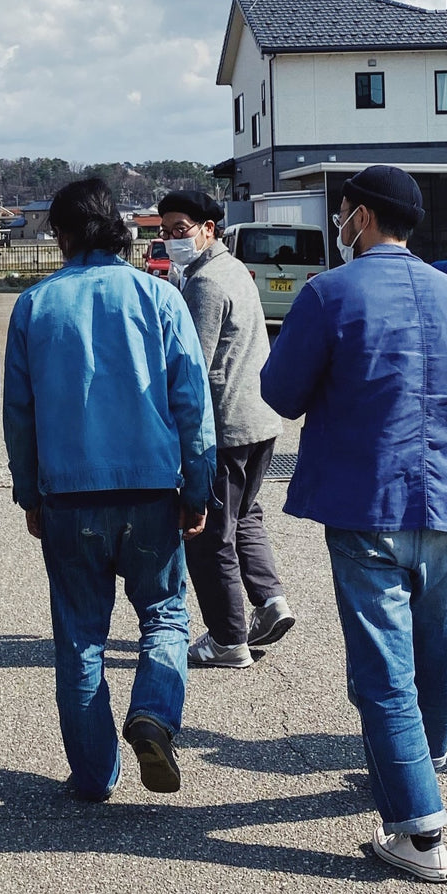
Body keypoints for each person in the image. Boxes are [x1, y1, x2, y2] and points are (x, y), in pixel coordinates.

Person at [260, 166, 447, 883]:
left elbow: (279, 393)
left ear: (362, 217)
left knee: (382, 669)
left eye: (343, 212)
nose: (339, 223)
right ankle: (419, 766)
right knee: (439, 653)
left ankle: (420, 827)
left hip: (366, 500)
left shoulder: (328, 293)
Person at [3, 177, 215, 800]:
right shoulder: (160, 298)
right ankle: (152, 710)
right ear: (120, 232)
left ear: (62, 235)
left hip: (69, 495)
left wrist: (29, 493)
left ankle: (94, 774)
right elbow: (191, 405)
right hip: (152, 489)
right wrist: (197, 487)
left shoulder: (34, 306)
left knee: (79, 636)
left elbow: (19, 412)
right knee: (167, 616)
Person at [156, 190, 293, 669]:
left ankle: (227, 639)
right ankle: (271, 600)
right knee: (247, 516)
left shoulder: (204, 283)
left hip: (227, 427)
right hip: (260, 419)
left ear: (208, 229)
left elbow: (193, 365)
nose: (172, 239)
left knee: (211, 534)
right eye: (165, 230)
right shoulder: (234, 270)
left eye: (181, 229)